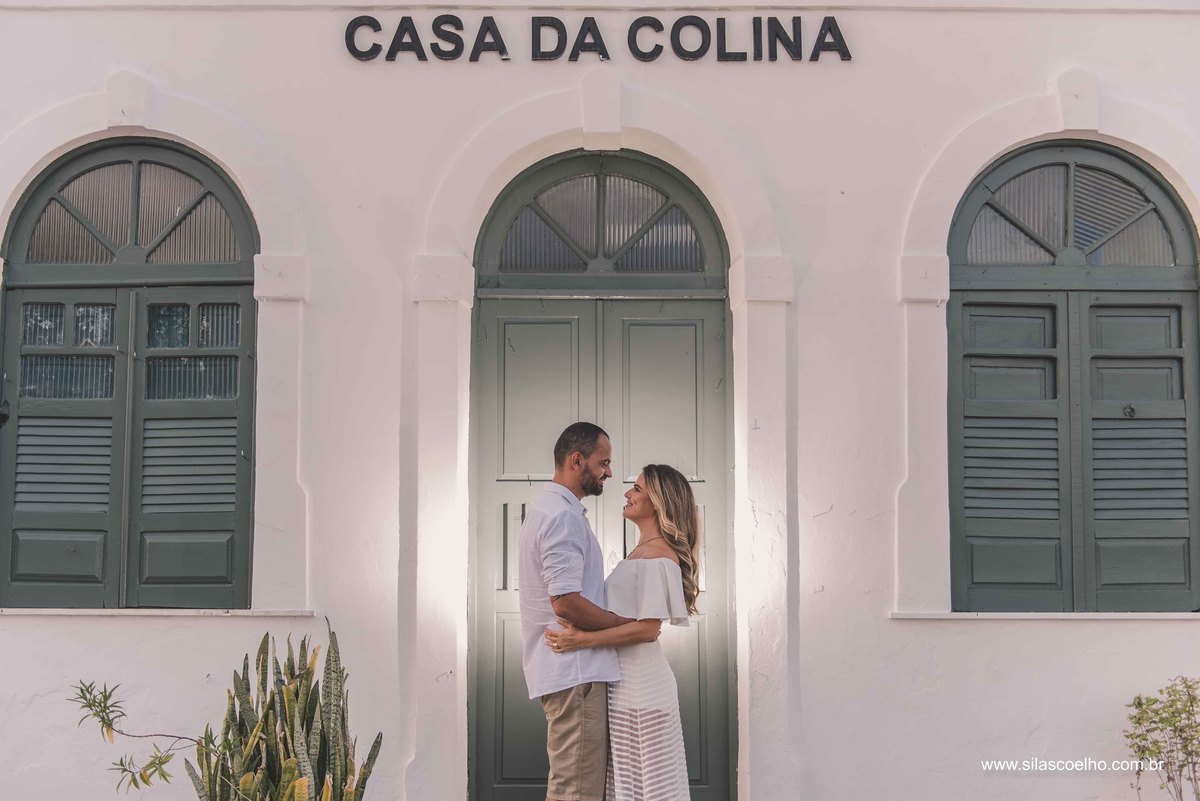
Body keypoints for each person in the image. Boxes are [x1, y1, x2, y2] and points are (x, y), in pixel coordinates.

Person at [545, 463, 698, 801]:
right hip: (623, 686)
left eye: (638, 489)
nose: (628, 494)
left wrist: (582, 639)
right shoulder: (641, 553)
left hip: (643, 688)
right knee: (629, 784)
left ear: (658, 501)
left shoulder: (660, 557)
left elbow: (647, 630)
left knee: (649, 787)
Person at [518, 421, 635, 801]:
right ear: (577, 460)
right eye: (604, 462)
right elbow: (565, 601)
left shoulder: (556, 510)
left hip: (573, 675)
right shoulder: (562, 516)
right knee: (577, 791)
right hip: (577, 676)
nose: (610, 472)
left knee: (575, 786)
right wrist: (626, 626)